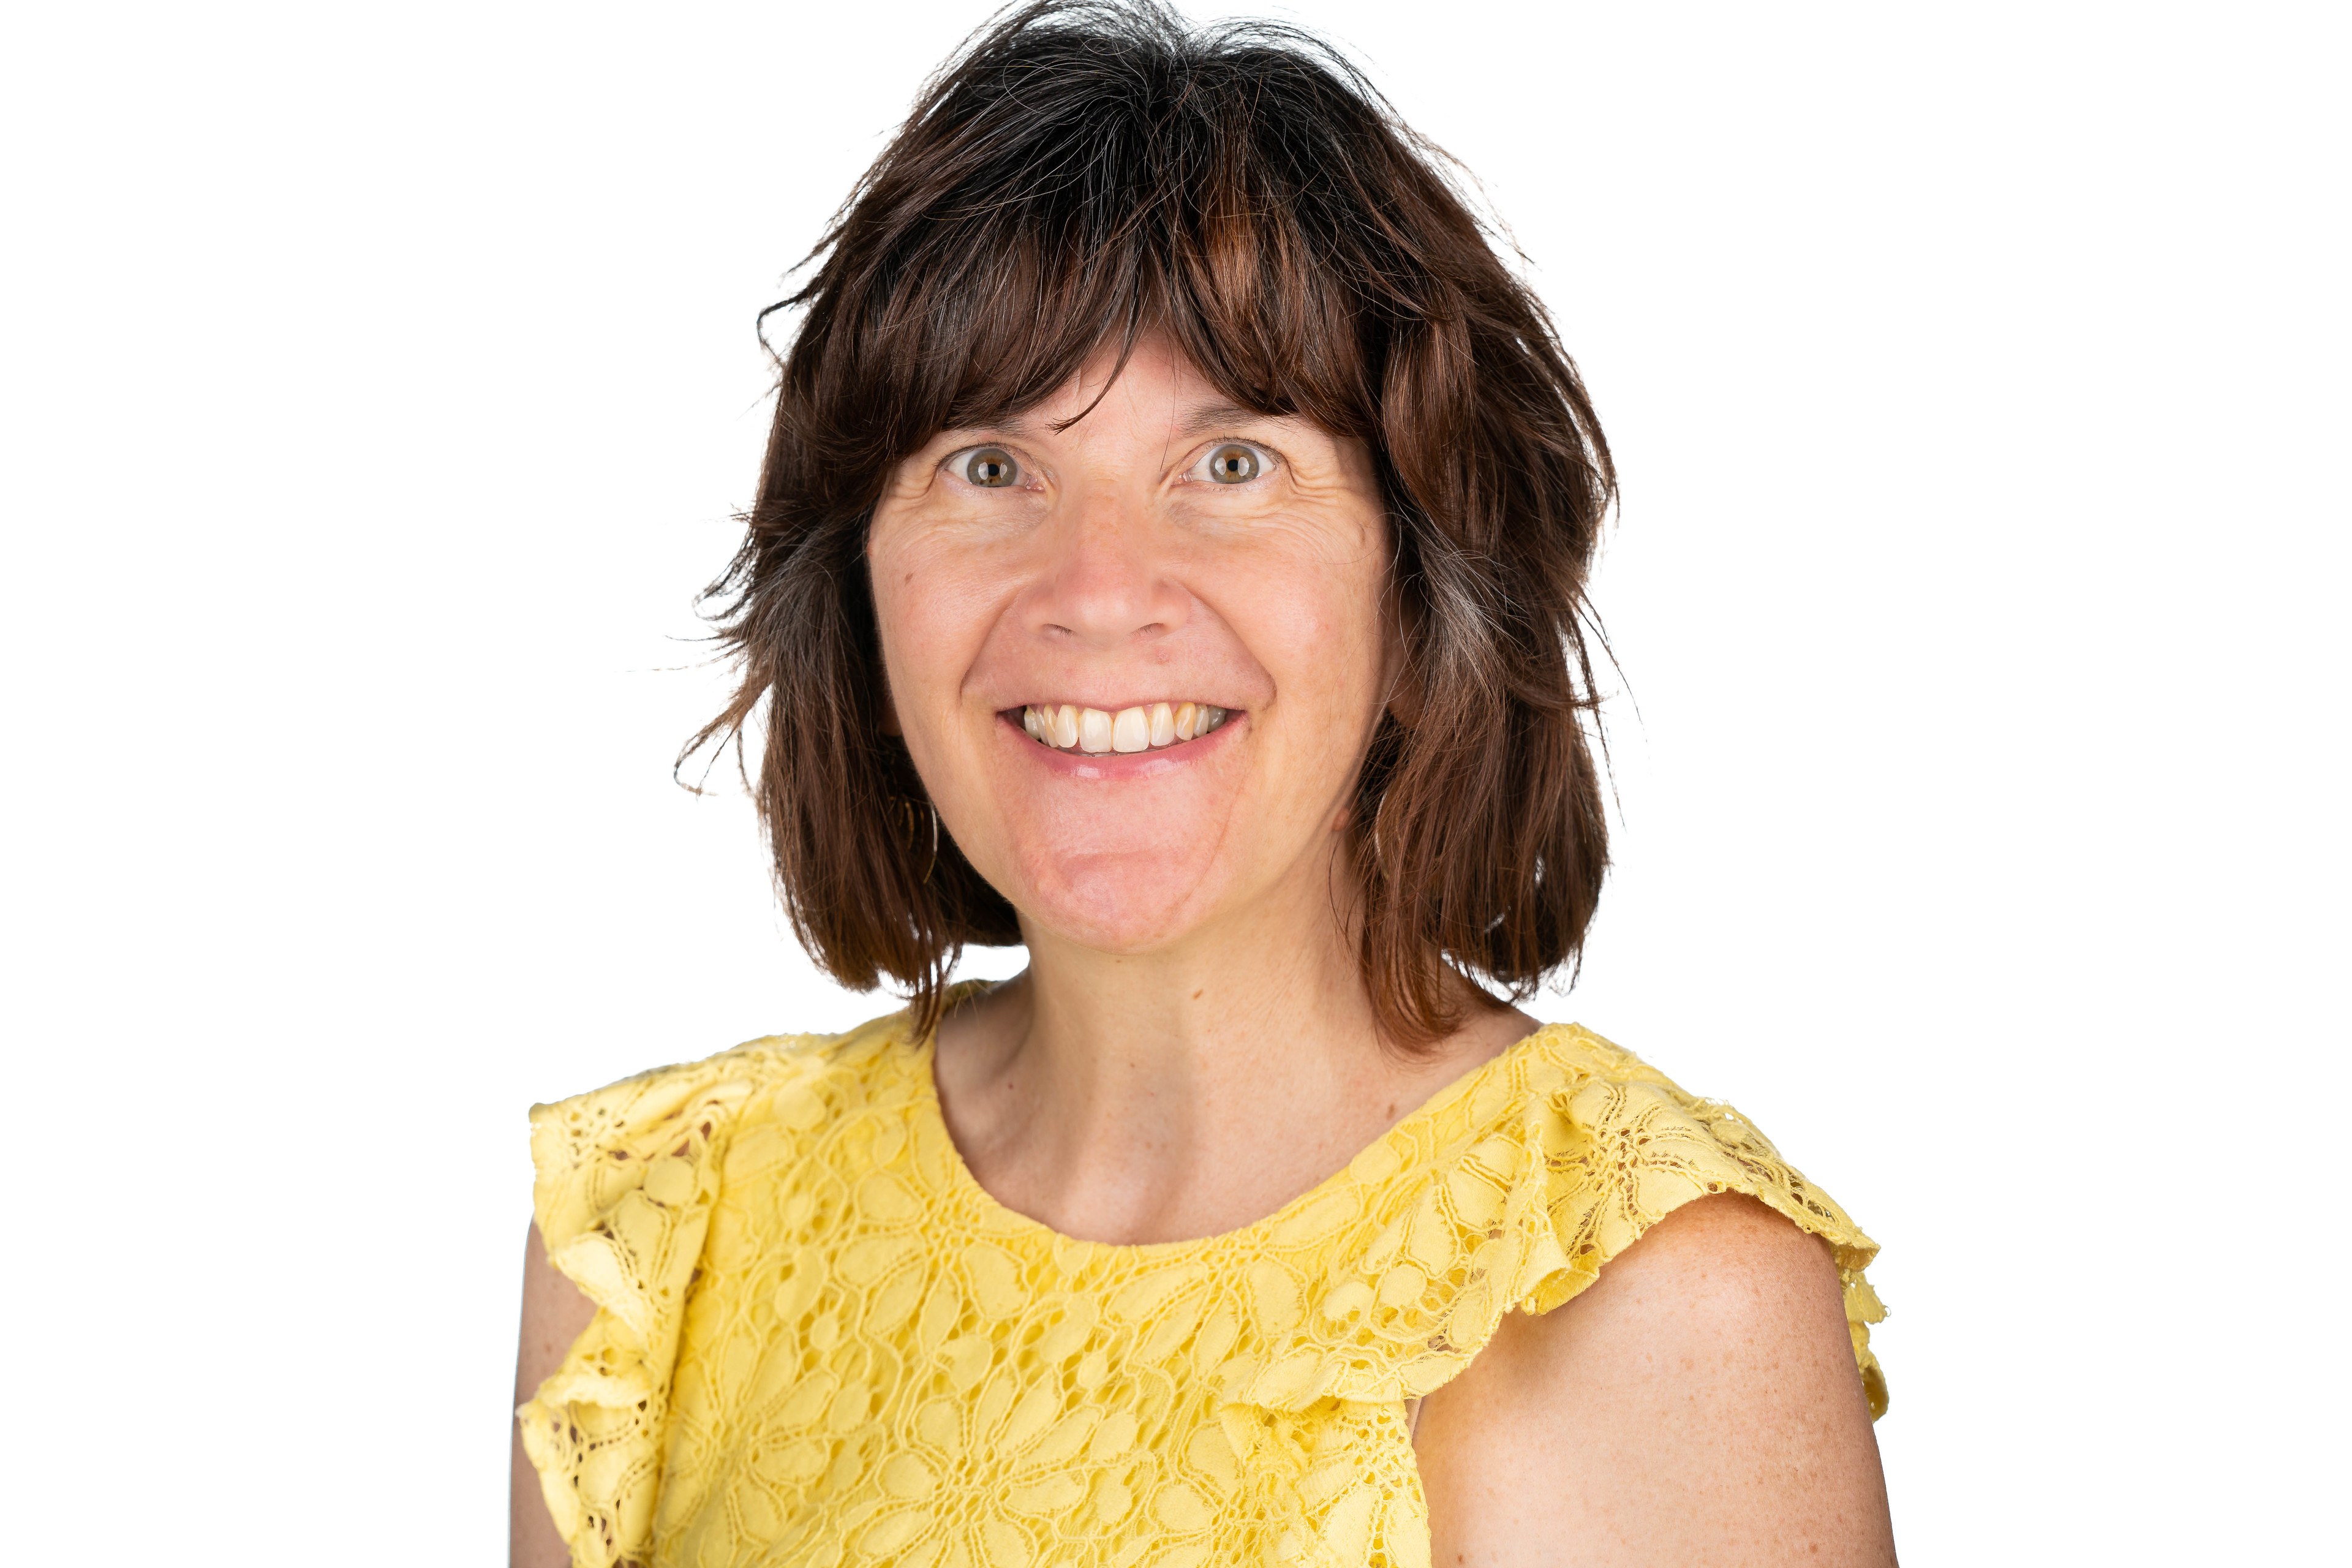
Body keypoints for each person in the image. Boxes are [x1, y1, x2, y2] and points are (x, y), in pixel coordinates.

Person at [511, 4, 1894, 1564]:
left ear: (1420, 571)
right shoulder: (665, 1235)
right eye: (989, 464)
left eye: (1231, 463)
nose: (1100, 588)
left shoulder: (1640, 1296)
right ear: (857, 580)